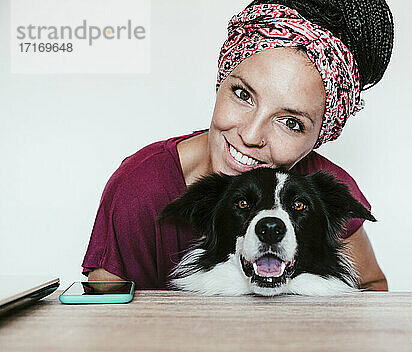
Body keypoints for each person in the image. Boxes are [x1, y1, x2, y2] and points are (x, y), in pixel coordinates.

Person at [83, 0, 394, 291]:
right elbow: (104, 314)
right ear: (221, 81)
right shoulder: (139, 188)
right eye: (243, 95)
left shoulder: (325, 190)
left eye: (291, 122)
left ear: (318, 140)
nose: (250, 135)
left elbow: (372, 289)